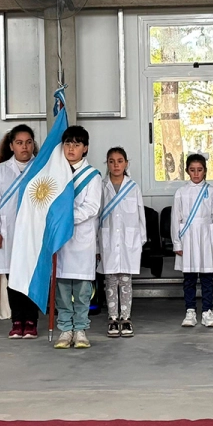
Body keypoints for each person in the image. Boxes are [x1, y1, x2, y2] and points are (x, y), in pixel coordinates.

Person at [0, 125, 38, 339]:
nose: (24, 147)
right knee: (13, 277)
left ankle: (31, 321)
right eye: (19, 142)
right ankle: (18, 320)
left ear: (33, 144)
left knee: (31, 277)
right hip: (8, 233)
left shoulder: (41, 168)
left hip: (34, 233)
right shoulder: (0, 171)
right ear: (11, 146)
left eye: (28, 142)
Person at [54, 126, 102, 349]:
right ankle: (65, 329)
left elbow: (91, 207)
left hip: (81, 239)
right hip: (60, 241)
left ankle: (81, 328)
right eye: (67, 143)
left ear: (85, 148)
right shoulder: (54, 173)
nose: (71, 148)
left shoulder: (92, 176)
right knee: (62, 287)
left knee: (82, 289)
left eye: (76, 144)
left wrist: (65, 218)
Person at [98, 147, 146, 338]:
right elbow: (96, 215)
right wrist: (95, 244)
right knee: (110, 280)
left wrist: (140, 240)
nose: (116, 165)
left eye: (120, 161)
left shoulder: (133, 187)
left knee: (126, 281)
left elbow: (140, 214)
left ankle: (125, 319)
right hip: (107, 239)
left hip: (129, 241)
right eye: (111, 161)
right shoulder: (101, 186)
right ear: (107, 164)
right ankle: (112, 319)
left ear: (126, 163)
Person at [173, 153, 213, 329]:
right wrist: (177, 243)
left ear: (205, 171)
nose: (196, 174)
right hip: (187, 237)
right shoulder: (181, 192)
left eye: (199, 170)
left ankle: (208, 311)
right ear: (187, 171)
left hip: (207, 237)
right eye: (192, 170)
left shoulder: (212, 192)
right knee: (189, 277)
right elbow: (175, 219)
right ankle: (190, 310)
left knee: (207, 276)